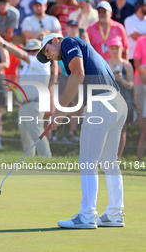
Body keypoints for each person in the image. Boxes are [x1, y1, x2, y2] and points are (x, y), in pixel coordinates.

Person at [37, 33, 127, 229]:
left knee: (88, 159)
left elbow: (78, 75)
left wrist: (58, 111)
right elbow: (78, 86)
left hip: (102, 104)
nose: (49, 56)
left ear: (55, 40)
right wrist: (62, 112)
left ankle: (87, 215)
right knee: (108, 160)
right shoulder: (81, 51)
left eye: (47, 50)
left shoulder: (69, 42)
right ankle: (114, 214)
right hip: (117, 103)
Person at [0, 33, 54, 156]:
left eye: (34, 51)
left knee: (37, 134)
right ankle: (29, 163)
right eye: (29, 51)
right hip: (24, 104)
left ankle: (47, 160)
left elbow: (22, 55)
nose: (31, 53)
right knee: (26, 137)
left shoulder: (42, 62)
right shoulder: (28, 66)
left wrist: (4, 43)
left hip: (34, 103)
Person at [107, 37, 133, 159]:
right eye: (112, 48)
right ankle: (107, 157)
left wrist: (123, 80)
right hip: (109, 100)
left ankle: (118, 158)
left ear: (121, 49)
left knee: (123, 129)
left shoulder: (127, 65)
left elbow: (131, 84)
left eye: (117, 48)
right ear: (109, 49)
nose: (114, 50)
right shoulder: (105, 64)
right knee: (108, 129)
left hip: (125, 99)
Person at [124, 0, 146, 68]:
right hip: (132, 56)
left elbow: (138, 35)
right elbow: (135, 36)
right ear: (140, 8)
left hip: (144, 57)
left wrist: (140, 34)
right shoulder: (129, 20)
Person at [134, 36, 146, 161]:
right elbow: (137, 63)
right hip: (141, 83)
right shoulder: (141, 40)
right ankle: (139, 160)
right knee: (144, 129)